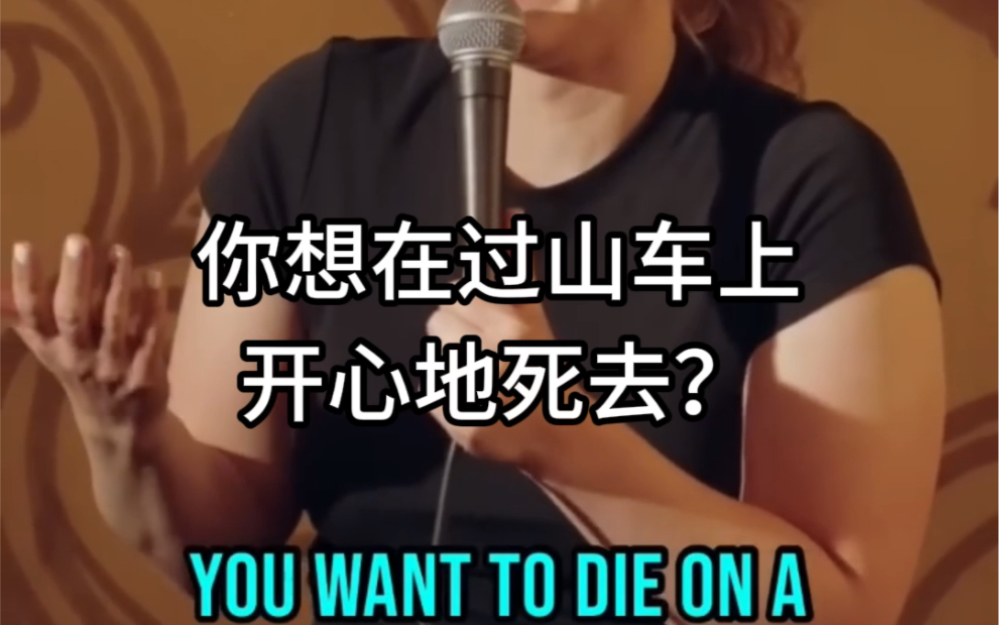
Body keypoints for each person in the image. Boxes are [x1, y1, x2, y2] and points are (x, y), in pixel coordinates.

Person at [8, 1, 946, 623]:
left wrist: (568, 444)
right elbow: (221, 554)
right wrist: (125, 428)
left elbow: (842, 603)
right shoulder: (312, 121)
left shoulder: (807, 178)